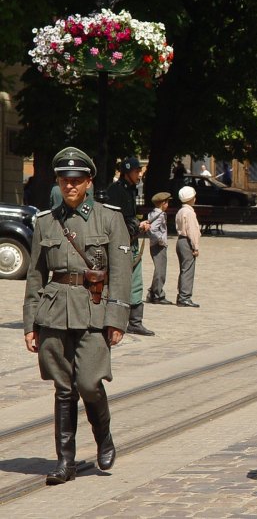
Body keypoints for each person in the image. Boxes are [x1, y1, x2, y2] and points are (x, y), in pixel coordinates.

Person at [23, 147, 131, 485]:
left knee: (88, 383)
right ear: (58, 181)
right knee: (63, 388)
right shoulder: (44, 221)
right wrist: (30, 323)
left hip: (95, 310)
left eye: (77, 180)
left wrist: (117, 318)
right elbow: (36, 276)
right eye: (65, 180)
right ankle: (65, 462)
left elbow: (122, 273)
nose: (70, 185)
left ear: (88, 182)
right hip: (54, 312)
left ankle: (104, 436)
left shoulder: (109, 218)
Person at [106, 157, 154, 336]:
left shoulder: (131, 190)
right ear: (127, 172)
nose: (139, 174)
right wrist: (138, 225)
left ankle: (135, 321)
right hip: (119, 244)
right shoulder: (116, 191)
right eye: (136, 171)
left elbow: (130, 217)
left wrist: (139, 224)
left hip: (130, 241)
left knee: (135, 281)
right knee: (118, 281)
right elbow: (117, 221)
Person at [175, 186, 201, 308]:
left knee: (183, 269)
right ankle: (185, 297)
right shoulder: (189, 213)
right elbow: (192, 231)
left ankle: (181, 294)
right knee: (188, 269)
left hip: (180, 240)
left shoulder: (180, 211)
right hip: (187, 241)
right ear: (191, 199)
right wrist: (195, 247)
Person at [146, 192, 173, 305]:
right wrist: (161, 240)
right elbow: (153, 230)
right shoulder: (160, 215)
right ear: (163, 203)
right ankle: (157, 294)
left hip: (154, 244)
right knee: (160, 271)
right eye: (167, 202)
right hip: (158, 246)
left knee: (159, 269)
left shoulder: (152, 213)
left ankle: (153, 292)